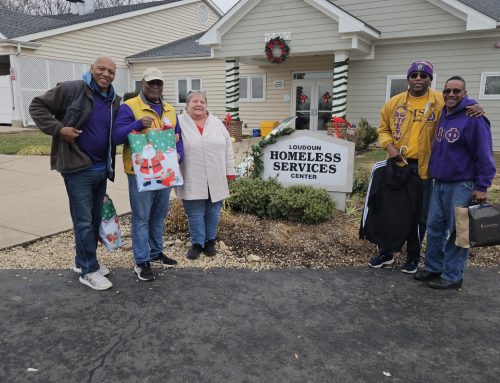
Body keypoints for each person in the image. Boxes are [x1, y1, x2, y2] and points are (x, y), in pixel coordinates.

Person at [369, 60, 483, 273]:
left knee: (420, 216)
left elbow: (461, 103)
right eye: (414, 76)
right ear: (408, 79)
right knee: (391, 212)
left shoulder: (440, 100)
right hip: (397, 164)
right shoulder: (394, 103)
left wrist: (475, 105)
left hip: (425, 168)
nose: (418, 79)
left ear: (431, 80)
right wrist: (389, 146)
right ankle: (386, 252)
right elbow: (383, 129)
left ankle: (413, 257)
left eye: (424, 76)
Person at [29, 56, 121, 291]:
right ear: (91, 69)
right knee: (83, 222)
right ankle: (89, 270)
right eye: (101, 69)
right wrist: (59, 130)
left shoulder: (113, 99)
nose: (106, 74)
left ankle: (83, 262)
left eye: (111, 71)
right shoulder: (72, 89)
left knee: (92, 220)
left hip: (102, 169)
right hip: (78, 169)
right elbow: (36, 106)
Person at [414, 76, 496, 289]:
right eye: (448, 90)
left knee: (459, 233)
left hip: (462, 185)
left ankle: (452, 277)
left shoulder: (474, 118)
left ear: (464, 94)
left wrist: (482, 187)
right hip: (439, 183)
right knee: (434, 228)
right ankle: (434, 268)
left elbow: (484, 154)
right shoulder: (444, 113)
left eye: (456, 91)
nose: (451, 94)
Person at [112, 68, 184, 282]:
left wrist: (179, 156)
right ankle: (141, 260)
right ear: (142, 83)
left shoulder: (170, 109)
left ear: (162, 85)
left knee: (158, 216)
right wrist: (136, 124)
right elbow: (115, 137)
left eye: (158, 83)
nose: (155, 87)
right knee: (142, 217)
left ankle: (155, 252)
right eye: (151, 83)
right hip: (139, 172)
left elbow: (178, 139)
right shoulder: (129, 107)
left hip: (165, 171)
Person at [177, 90, 235, 259]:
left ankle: (210, 241)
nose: (199, 104)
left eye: (202, 101)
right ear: (187, 105)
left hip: (216, 175)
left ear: (206, 105)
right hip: (192, 175)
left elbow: (228, 148)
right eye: (194, 101)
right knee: (194, 212)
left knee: (214, 210)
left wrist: (230, 171)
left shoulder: (216, 123)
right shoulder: (179, 122)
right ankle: (197, 243)